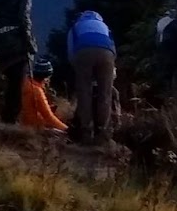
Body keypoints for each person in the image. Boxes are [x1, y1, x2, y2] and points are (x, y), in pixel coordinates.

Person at [67, 9, 117, 144]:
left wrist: (79, 70)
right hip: (107, 54)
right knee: (105, 93)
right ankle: (102, 132)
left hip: (83, 52)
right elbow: (113, 47)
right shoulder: (104, 26)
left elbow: (71, 52)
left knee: (84, 93)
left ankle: (85, 131)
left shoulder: (75, 27)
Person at [21, 56, 67, 132]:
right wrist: (66, 129)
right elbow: (48, 117)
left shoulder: (26, 83)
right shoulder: (37, 91)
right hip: (34, 128)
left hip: (23, 124)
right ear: (46, 77)